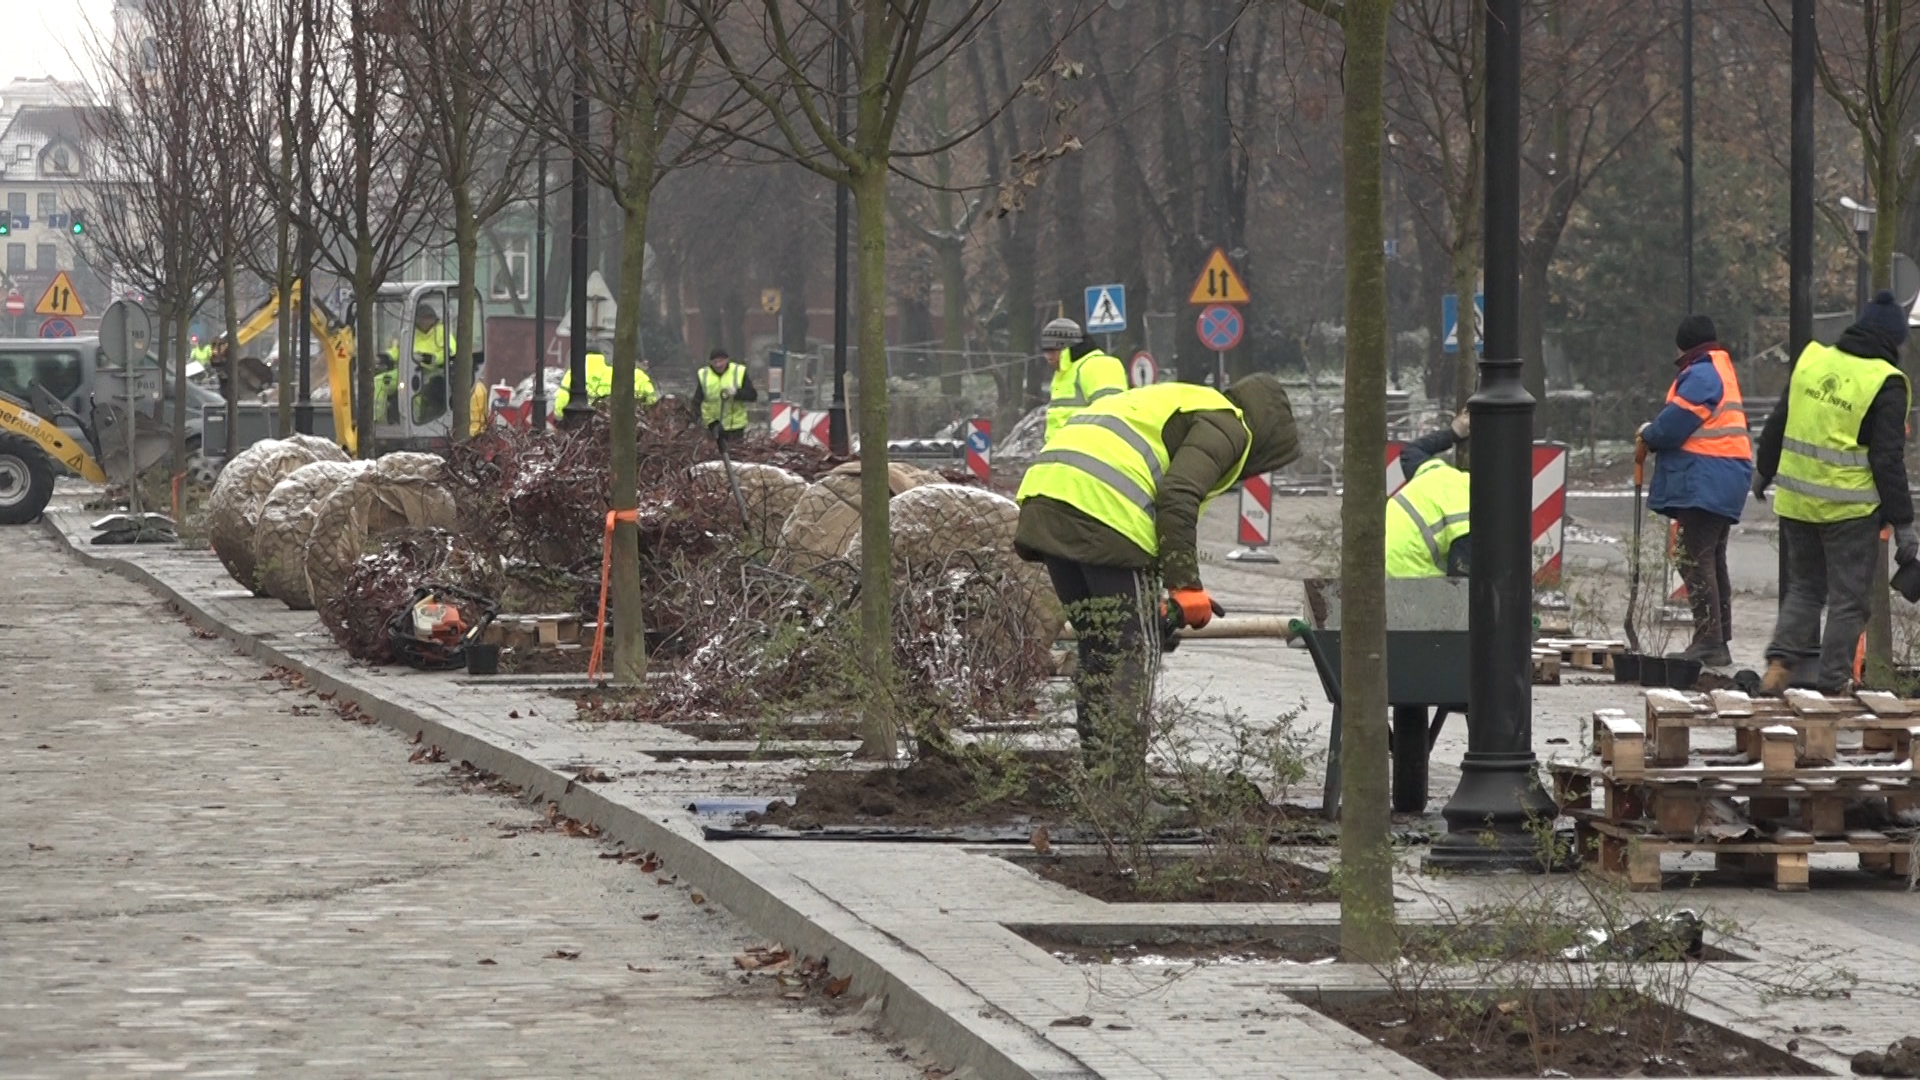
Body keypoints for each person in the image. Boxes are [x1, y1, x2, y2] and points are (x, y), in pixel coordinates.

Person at [1014, 373, 1300, 774]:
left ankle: (1100, 778)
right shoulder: (1228, 423)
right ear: (1267, 437)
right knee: (1134, 650)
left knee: (1098, 648)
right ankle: (1126, 791)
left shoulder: (1180, 398)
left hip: (1048, 499)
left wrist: (1162, 596)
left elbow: (1145, 487)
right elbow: (1178, 496)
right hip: (1103, 511)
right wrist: (1186, 588)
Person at [1753, 290, 1915, 694]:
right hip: (1849, 510)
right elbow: (1887, 460)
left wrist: (1764, 471)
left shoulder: (1813, 360)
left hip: (1796, 504)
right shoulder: (1886, 383)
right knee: (1849, 601)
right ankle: (1829, 688)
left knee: (1805, 589)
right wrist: (1905, 523)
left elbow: (1778, 422)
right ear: (1892, 340)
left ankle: (1778, 665)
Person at [1637, 315, 1752, 668]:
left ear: (1683, 345)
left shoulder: (1702, 372)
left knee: (1693, 555)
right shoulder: (1719, 368)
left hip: (1708, 475)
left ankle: (1710, 640)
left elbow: (1675, 424)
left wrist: (1649, 434)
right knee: (1710, 556)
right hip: (1724, 475)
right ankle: (1717, 640)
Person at [1385, 412, 1473, 579]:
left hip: (1376, 573)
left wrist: (1452, 434)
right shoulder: (1469, 510)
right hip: (1414, 586)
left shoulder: (1435, 472)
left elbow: (1411, 451)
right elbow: (1460, 582)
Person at [1041, 317, 1128, 441]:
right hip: (1066, 455)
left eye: (1052, 350)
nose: (1048, 357)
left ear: (1067, 347)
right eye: (1045, 351)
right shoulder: (1064, 374)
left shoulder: (1098, 365)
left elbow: (1111, 417)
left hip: (1090, 454)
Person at [554, 341, 659, 413]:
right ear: (602, 355)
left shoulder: (572, 375)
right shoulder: (631, 375)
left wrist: (562, 420)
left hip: (583, 428)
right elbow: (652, 400)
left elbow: (560, 403)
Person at [691, 346, 756, 442]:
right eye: (715, 362)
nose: (718, 365)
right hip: (713, 426)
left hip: (735, 426)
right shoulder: (704, 375)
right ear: (710, 362)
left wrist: (737, 393)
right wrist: (700, 421)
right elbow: (697, 401)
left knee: (735, 454)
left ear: (727, 360)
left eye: (721, 361)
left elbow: (753, 396)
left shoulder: (738, 372)